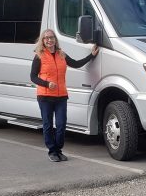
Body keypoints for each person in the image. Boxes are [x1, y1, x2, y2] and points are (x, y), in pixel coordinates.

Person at [31, 28, 99, 162]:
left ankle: (59, 150)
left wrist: (91, 55)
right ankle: (52, 151)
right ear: (43, 41)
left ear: (55, 39)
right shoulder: (39, 55)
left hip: (61, 95)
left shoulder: (62, 54)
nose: (49, 40)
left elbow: (76, 63)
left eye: (51, 37)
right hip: (45, 96)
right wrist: (46, 84)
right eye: (46, 38)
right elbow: (33, 77)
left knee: (61, 124)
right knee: (48, 125)